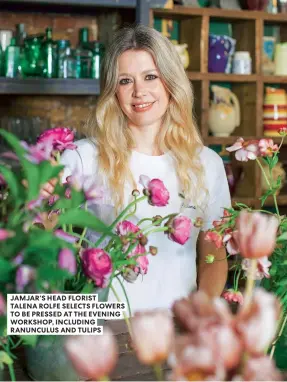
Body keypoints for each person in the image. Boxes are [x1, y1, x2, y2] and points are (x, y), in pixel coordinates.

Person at [43, 24, 230, 314]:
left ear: (170, 83)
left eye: (150, 77)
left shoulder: (206, 163)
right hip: (100, 330)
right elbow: (38, 241)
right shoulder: (82, 158)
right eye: (125, 81)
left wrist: (201, 312)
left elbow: (214, 253)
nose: (139, 92)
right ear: (112, 91)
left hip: (176, 327)